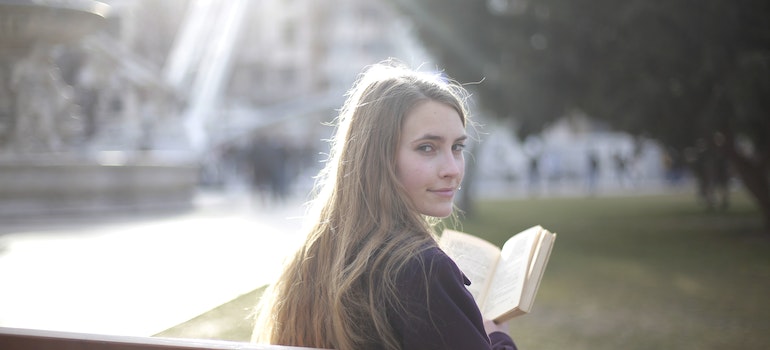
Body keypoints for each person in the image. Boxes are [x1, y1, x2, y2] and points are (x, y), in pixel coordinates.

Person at [251, 60, 517, 350]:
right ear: (378, 157)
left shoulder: (312, 256)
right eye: (427, 148)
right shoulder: (424, 271)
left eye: (457, 147)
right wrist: (496, 337)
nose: (452, 169)